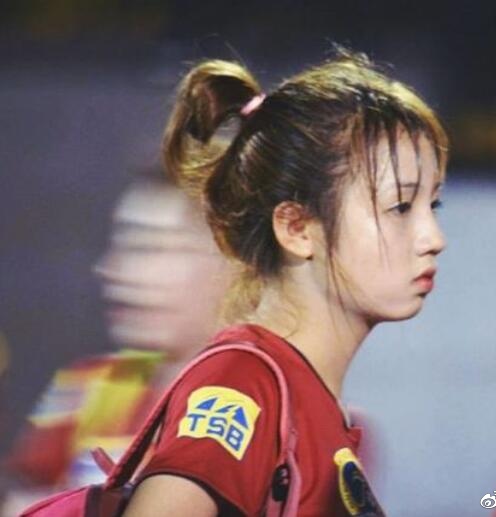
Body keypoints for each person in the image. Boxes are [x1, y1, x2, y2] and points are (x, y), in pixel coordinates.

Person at [122, 49, 448, 516]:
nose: (434, 239)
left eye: (432, 206)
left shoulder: (308, 399)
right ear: (297, 228)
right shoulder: (243, 382)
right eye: (400, 207)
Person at [1, 168, 231, 514]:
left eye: (150, 247)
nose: (112, 269)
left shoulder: (270, 408)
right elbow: (21, 497)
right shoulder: (90, 383)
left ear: (240, 262)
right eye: (121, 246)